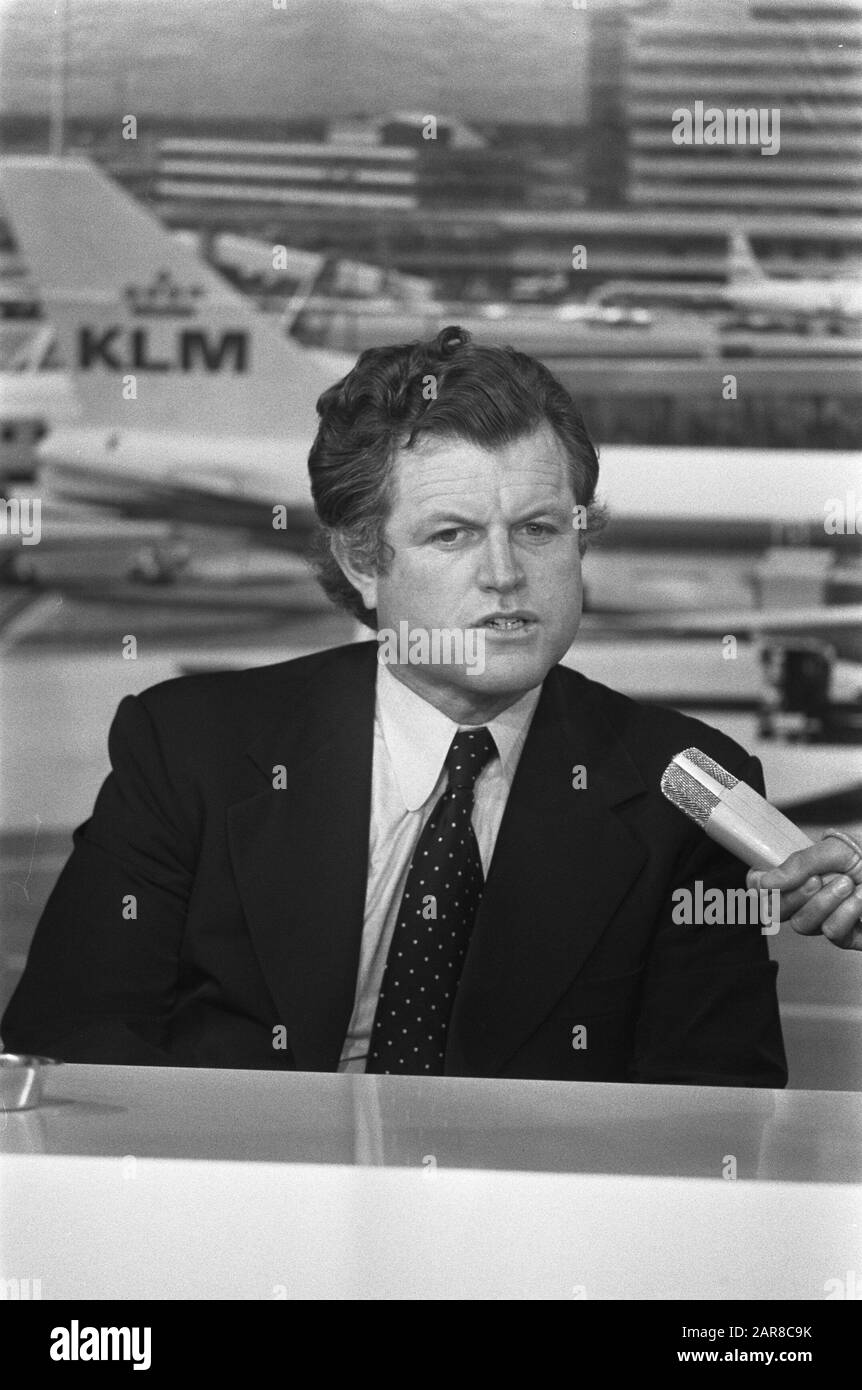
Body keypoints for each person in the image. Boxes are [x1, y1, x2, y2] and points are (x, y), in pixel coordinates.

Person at [5, 325, 811, 1085]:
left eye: (537, 529)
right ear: (363, 562)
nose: (504, 574)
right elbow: (68, 1050)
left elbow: (714, 1114)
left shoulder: (686, 786)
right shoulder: (188, 749)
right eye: (452, 535)